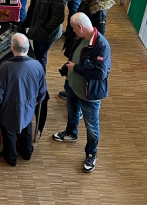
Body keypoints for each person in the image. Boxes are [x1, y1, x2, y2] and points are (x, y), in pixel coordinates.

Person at [52, 12, 111, 174]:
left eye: (73, 28)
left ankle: (91, 154)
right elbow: (75, 57)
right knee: (72, 112)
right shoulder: (80, 37)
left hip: (89, 94)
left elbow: (100, 74)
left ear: (80, 27)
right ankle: (71, 133)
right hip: (73, 86)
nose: (71, 31)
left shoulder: (101, 45)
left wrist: (76, 68)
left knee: (92, 127)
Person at [0, 33, 47, 167]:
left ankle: (11, 157)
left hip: (9, 109)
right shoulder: (37, 65)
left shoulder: (5, 67)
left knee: (9, 134)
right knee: (26, 129)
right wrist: (35, 102)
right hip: (28, 107)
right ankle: (27, 152)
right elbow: (42, 91)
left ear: (12, 48)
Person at [61, 0, 114, 76]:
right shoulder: (88, 0)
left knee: (77, 64)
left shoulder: (99, 11)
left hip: (84, 43)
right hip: (78, 37)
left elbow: (100, 32)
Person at [22, 0, 66, 70]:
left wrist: (44, 30)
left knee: (40, 57)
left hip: (45, 34)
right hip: (39, 28)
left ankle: (39, 79)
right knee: (37, 55)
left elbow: (58, 18)